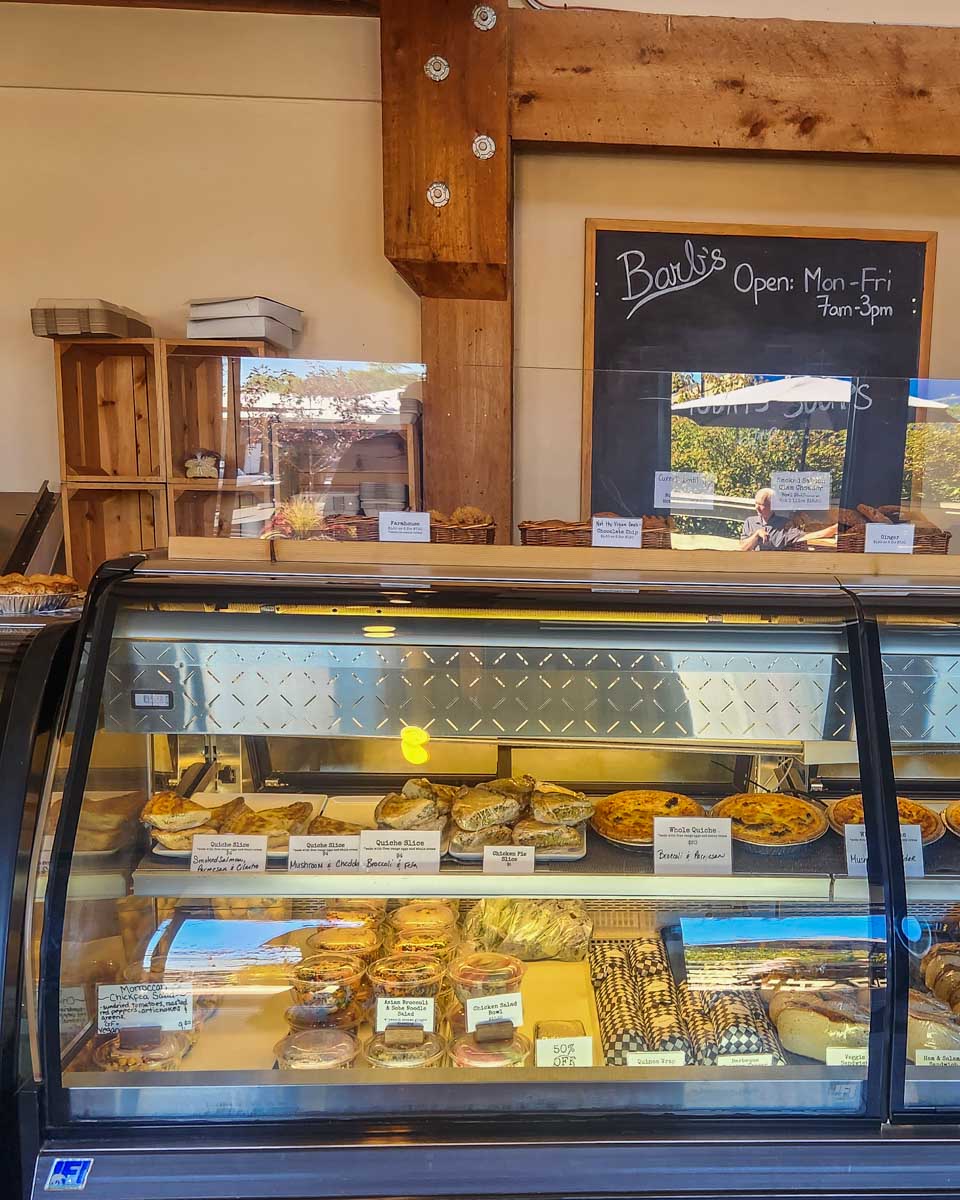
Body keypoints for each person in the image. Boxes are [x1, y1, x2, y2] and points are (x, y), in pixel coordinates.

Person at [740, 487, 805, 551]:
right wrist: (756, 535)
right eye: (756, 503)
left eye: (761, 504)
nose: (757, 507)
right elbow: (743, 548)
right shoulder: (750, 522)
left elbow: (804, 537)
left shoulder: (785, 524)